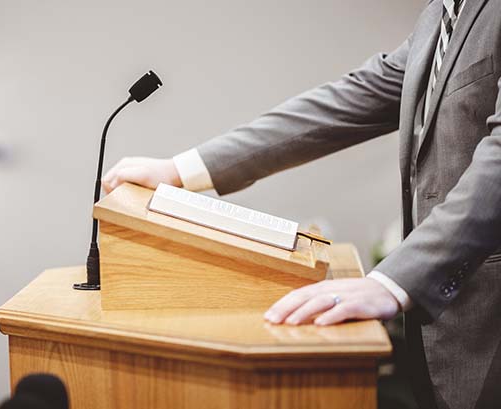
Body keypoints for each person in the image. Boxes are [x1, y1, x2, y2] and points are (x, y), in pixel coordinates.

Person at [101, 1, 501, 408]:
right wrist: (180, 170)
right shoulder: (440, 15)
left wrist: (392, 281)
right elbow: (349, 101)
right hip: (442, 335)